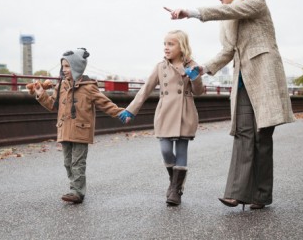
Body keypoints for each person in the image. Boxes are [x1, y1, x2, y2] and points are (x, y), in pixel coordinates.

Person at [164, 0, 296, 210]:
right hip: (242, 81)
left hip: (263, 77)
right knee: (244, 134)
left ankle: (261, 195)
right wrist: (204, 68)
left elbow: (232, 11)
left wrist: (192, 12)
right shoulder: (228, 17)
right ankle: (236, 193)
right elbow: (228, 51)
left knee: (262, 138)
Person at [119, 30, 204, 206]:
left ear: (182, 46)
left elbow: (198, 92)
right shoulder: (160, 67)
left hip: (184, 112)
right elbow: (145, 89)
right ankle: (175, 184)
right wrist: (131, 110)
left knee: (181, 151)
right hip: (165, 112)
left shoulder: (193, 65)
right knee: (165, 150)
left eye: (171, 44)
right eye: (165, 44)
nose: (166, 48)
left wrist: (195, 77)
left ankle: (176, 191)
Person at [30, 48, 125, 204]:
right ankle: (74, 187)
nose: (64, 70)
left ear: (77, 67)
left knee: (77, 162)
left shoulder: (89, 87)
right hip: (64, 129)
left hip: (81, 130)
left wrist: (121, 113)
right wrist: (41, 94)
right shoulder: (61, 86)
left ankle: (77, 192)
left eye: (67, 66)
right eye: (63, 66)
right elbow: (53, 105)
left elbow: (105, 103)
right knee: (67, 163)